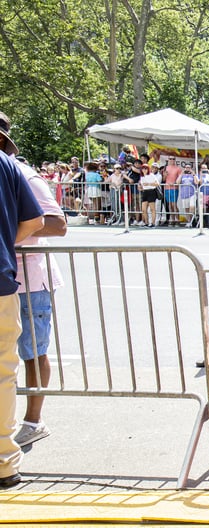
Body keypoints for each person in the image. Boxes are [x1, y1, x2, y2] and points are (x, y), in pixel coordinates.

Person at [0, 111, 45, 488]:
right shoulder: (9, 167)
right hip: (1, 279)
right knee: (3, 373)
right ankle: (3, 464)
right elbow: (34, 222)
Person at [13, 152, 67, 448]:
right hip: (6, 277)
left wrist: (10, 228)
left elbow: (58, 224)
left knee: (33, 351)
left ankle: (33, 421)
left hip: (30, 280)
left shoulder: (26, 176)